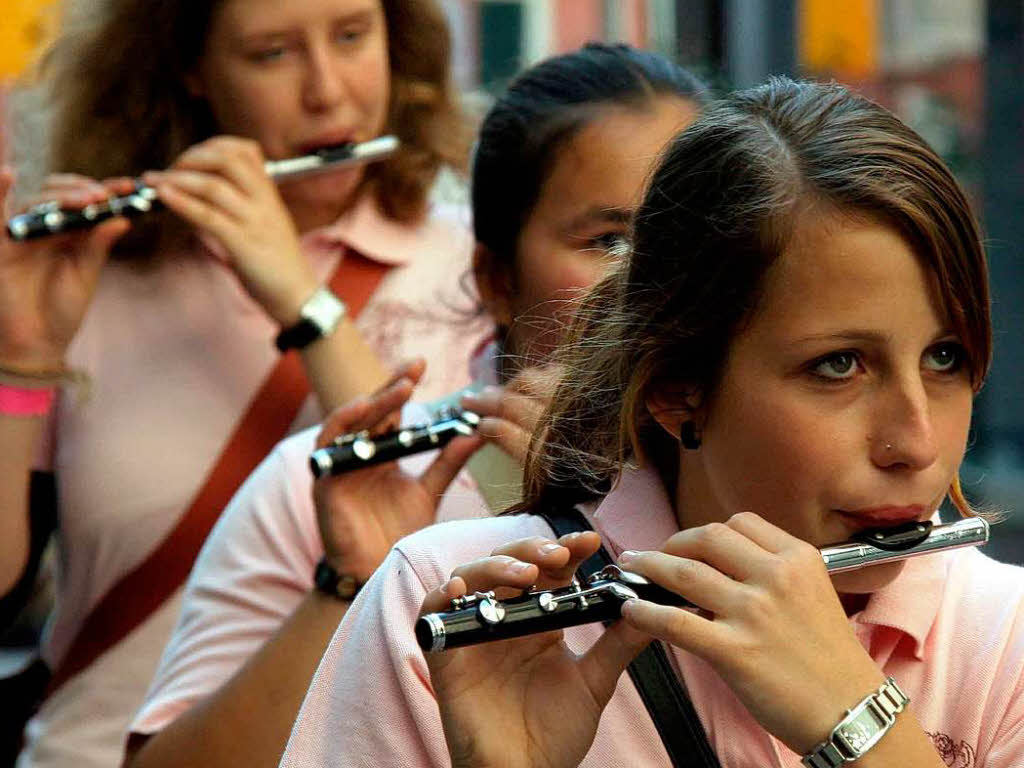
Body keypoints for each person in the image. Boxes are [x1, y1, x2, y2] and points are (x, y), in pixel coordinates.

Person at [276, 77, 1024, 768]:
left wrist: (863, 729)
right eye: (838, 366)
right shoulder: (439, 600)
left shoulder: (1004, 643)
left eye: (946, 358)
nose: (917, 443)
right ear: (676, 388)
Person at [122, 43, 707, 768]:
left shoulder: (780, 468)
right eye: (608, 239)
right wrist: (353, 586)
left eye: (683, 239)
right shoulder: (332, 486)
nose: (650, 280)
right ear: (496, 278)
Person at [0, 0, 489, 766]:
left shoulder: (472, 268)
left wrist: (303, 300)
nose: (328, 90)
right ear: (192, 71)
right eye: (271, 54)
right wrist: (20, 364)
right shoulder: (97, 271)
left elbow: (444, 535)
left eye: (353, 35)